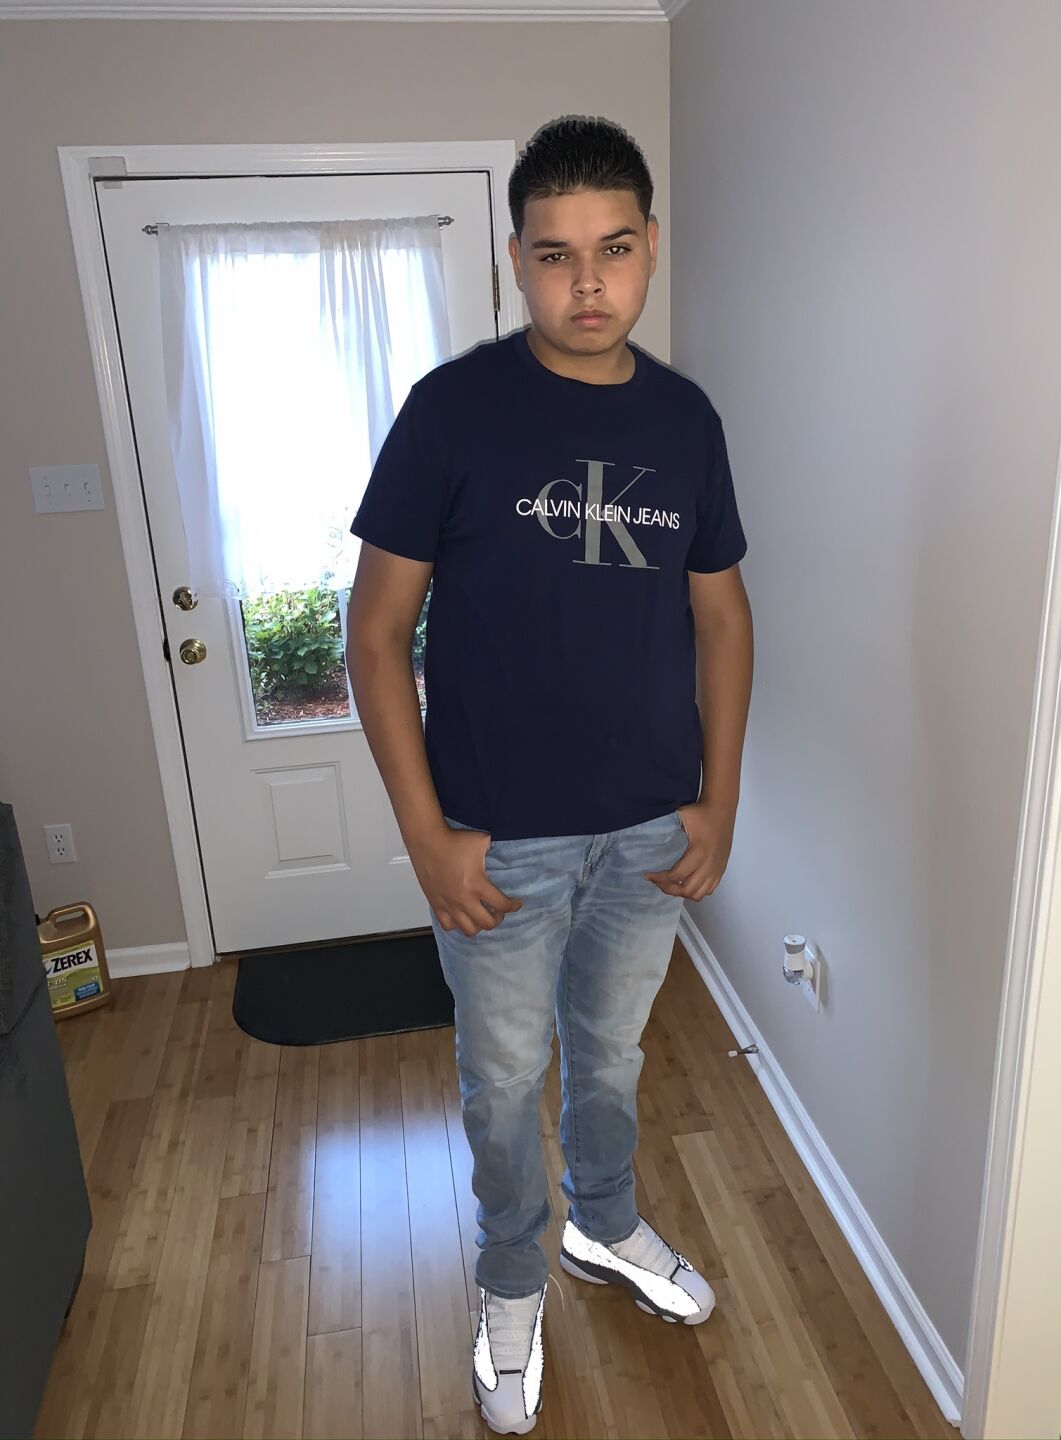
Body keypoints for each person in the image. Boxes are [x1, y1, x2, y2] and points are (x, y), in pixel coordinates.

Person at [345, 114, 754, 1436]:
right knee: (502, 1080)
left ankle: (606, 1225)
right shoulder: (452, 412)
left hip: (649, 831)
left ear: (650, 249)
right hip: (497, 839)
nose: (588, 283)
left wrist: (720, 798)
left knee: (611, 1054)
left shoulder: (685, 420)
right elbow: (373, 633)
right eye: (555, 254)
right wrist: (428, 837)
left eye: (614, 249)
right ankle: (511, 1276)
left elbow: (722, 615)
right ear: (516, 260)